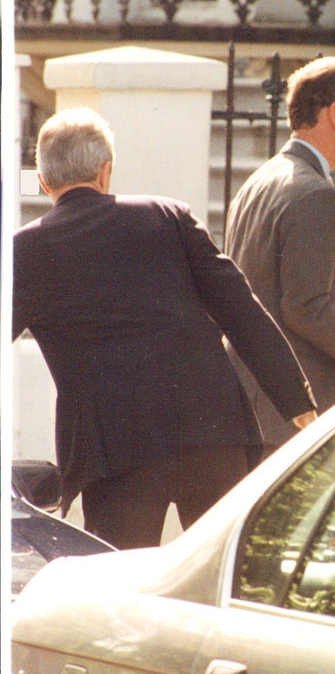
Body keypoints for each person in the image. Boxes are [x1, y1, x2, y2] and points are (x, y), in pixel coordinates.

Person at [13, 106, 317, 550]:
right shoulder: (168, 215)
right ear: (106, 172)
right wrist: (301, 408)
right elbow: (243, 311)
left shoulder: (25, 250)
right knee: (223, 580)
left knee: (123, 590)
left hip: (115, 451)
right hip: (213, 432)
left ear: (43, 182)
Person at [225, 55, 335, 454]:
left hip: (252, 405)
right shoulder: (315, 193)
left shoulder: (259, 179)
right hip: (288, 416)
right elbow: (305, 307)